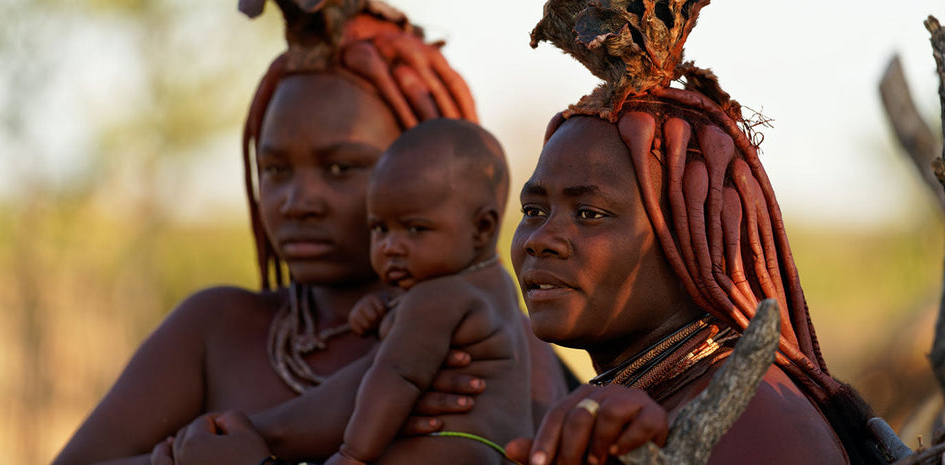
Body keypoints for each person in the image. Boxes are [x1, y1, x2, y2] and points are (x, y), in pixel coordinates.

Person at [52, 1, 571, 464]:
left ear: (431, 176)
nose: (298, 202)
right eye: (275, 170)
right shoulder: (215, 329)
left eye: (342, 169)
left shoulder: (506, 349)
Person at [500, 1, 886, 464]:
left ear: (692, 244)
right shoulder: (652, 400)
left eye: (589, 214)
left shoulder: (747, 414)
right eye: (533, 209)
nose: (542, 238)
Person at [322, 118, 533, 465]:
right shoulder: (495, 284)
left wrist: (353, 455)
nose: (391, 246)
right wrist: (387, 307)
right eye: (379, 228)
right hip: (494, 449)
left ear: (482, 228)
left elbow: (396, 375)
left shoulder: (436, 296)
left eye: (415, 229)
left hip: (445, 444)